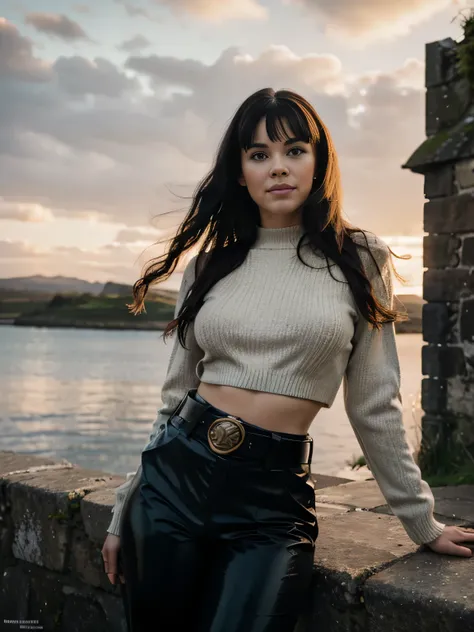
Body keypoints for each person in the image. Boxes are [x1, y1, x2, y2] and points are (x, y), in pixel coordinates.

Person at [101, 87, 474, 632]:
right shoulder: (205, 269)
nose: (278, 167)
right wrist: (121, 510)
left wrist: (422, 522)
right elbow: (173, 402)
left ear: (319, 162)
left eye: (294, 150)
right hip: (171, 488)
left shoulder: (359, 257)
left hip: (270, 504)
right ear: (241, 172)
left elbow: (375, 404)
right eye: (259, 155)